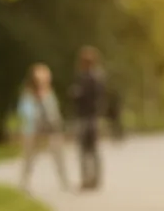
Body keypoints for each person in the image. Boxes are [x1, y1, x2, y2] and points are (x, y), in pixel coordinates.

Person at [17, 62, 69, 192]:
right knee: (29, 158)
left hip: (51, 130)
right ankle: (24, 183)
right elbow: (25, 112)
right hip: (34, 131)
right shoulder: (28, 94)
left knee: (59, 156)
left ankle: (64, 182)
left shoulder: (49, 93)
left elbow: (54, 112)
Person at [71, 46, 106, 189]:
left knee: (84, 150)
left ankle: (86, 179)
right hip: (95, 116)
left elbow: (81, 96)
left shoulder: (85, 78)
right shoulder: (99, 76)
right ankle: (96, 179)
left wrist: (76, 94)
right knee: (94, 149)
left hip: (85, 116)